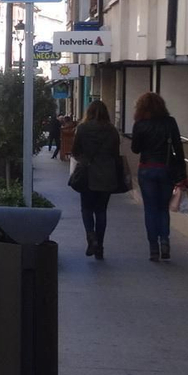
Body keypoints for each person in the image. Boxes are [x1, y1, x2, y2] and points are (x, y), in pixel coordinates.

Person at [131, 92, 186, 262]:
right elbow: (178, 147)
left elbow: (135, 149)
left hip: (147, 169)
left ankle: (153, 248)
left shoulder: (140, 124)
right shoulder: (170, 122)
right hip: (166, 169)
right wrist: (182, 174)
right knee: (163, 208)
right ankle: (165, 241)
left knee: (150, 209)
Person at [71, 100, 121, 260]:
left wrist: (83, 160)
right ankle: (100, 246)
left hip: (87, 173)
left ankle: (91, 236)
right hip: (107, 174)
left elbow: (75, 151)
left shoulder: (83, 129)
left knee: (86, 208)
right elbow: (115, 153)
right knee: (101, 211)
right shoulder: (112, 130)